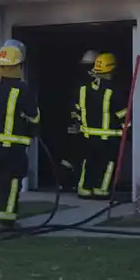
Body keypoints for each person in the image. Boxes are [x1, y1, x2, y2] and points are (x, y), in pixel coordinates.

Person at [0, 39, 41, 231]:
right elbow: (34, 118)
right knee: (10, 182)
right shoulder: (21, 89)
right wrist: (31, 129)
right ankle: (4, 220)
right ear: (18, 65)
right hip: (13, 148)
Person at [75, 51, 127, 199]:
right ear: (112, 69)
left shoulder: (84, 89)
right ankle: (101, 190)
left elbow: (78, 109)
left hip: (88, 136)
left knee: (89, 163)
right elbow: (123, 114)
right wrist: (127, 128)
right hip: (109, 137)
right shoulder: (114, 90)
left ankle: (84, 189)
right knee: (108, 164)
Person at [61, 50, 99, 189]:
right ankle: (71, 182)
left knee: (75, 155)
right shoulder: (87, 84)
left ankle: (68, 182)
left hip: (81, 125)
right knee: (78, 155)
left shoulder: (82, 83)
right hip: (82, 126)